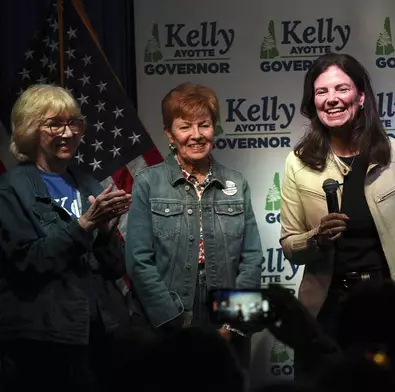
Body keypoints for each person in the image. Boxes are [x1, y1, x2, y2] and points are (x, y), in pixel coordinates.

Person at [279, 52, 395, 372]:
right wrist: (316, 238)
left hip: (388, 306)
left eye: (342, 89)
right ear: (313, 103)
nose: (332, 99)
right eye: (322, 92)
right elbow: (289, 245)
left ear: (361, 97)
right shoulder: (297, 162)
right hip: (326, 313)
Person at [0, 84, 133, 392]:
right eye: (55, 123)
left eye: (74, 122)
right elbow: (28, 262)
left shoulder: (86, 182)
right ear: (30, 129)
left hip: (97, 333)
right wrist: (85, 224)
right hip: (43, 342)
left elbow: (114, 269)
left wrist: (106, 232)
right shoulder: (10, 189)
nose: (69, 132)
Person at [125, 82, 263, 368]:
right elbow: (138, 260)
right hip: (165, 319)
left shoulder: (237, 182)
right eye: (185, 127)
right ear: (169, 134)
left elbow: (252, 258)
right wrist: (174, 320)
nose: (196, 135)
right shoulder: (147, 182)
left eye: (204, 125)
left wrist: (232, 323)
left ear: (215, 128)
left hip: (225, 315)